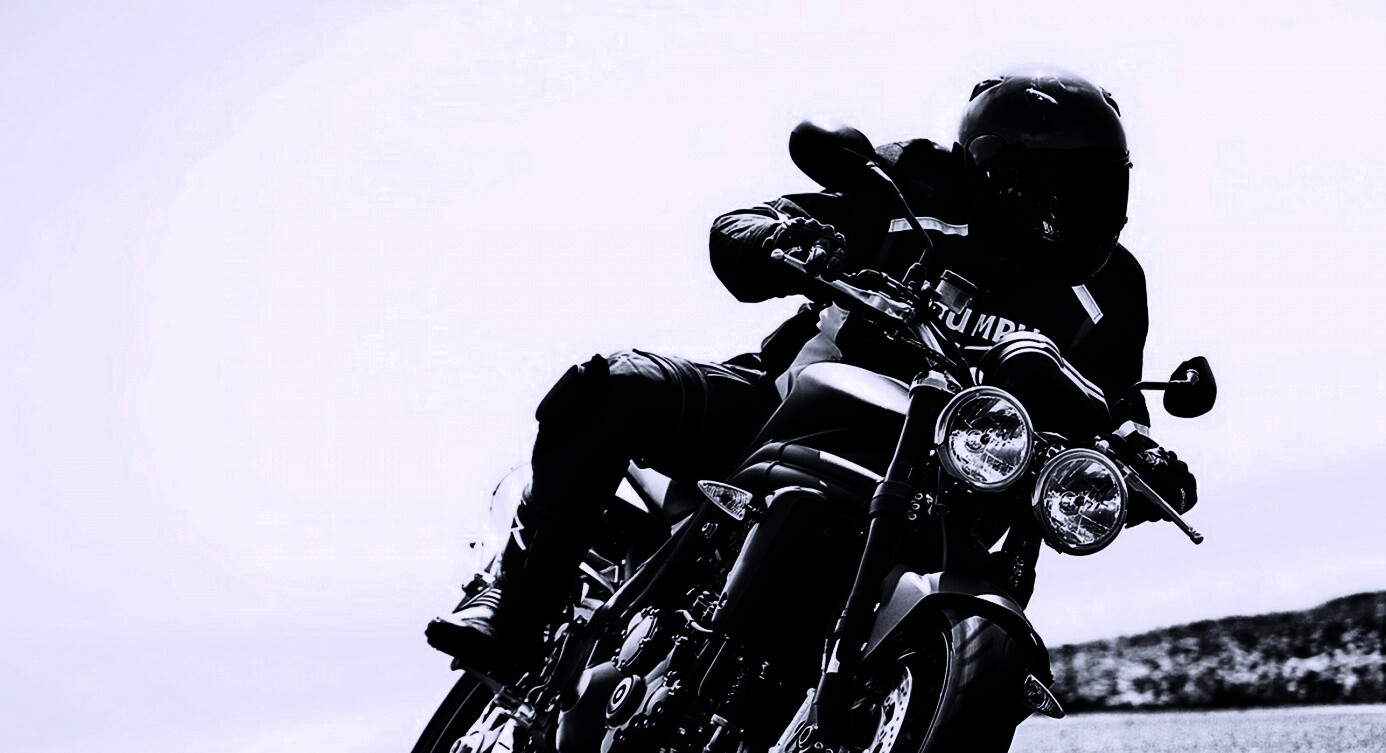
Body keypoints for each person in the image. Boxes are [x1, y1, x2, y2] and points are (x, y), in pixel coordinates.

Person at [426, 69, 1197, 671]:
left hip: (951, 487)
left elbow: (1117, 408)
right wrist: (781, 239)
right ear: (996, 172)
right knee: (613, 388)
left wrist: (1146, 458)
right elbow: (751, 222)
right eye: (1052, 186)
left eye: (1097, 187)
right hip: (783, 410)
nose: (1071, 209)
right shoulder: (912, 183)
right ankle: (514, 607)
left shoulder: (1113, 289)